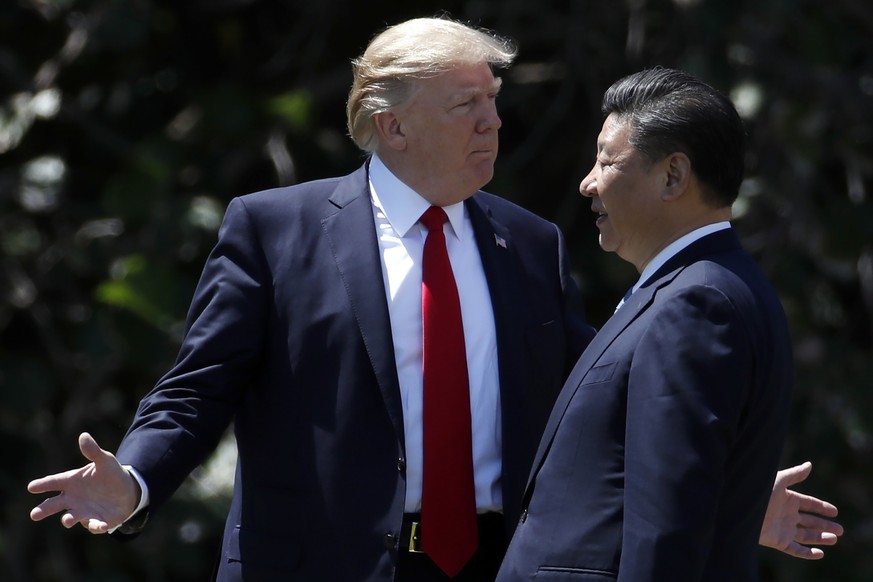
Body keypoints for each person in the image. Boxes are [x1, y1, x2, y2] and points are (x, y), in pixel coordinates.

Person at [27, 19, 840, 582]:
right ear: (392, 127)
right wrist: (132, 480)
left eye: (492, 100)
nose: (493, 123)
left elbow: (599, 395)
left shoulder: (528, 242)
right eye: (466, 105)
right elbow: (196, 391)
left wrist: (724, 491)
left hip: (491, 564)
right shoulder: (277, 231)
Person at [497, 67, 812, 582]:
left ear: (673, 176)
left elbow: (667, 530)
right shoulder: (702, 287)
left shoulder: (697, 304)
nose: (588, 182)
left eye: (606, 161)